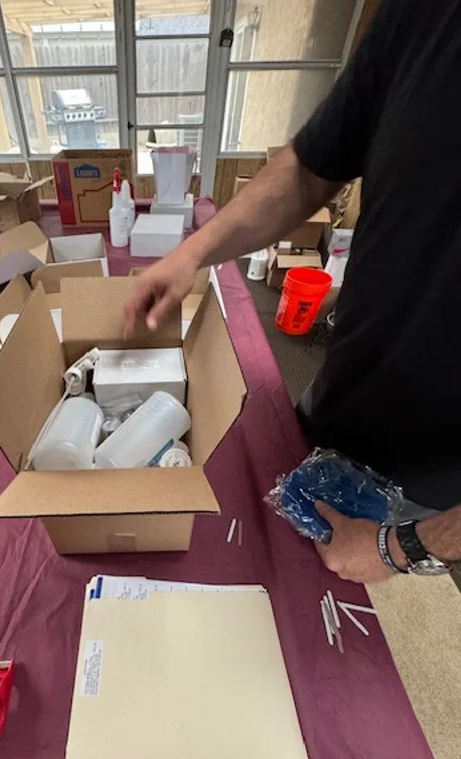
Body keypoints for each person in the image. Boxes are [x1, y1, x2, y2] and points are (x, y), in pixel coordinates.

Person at [123, 0, 461, 584]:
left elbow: (394, 550)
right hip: (339, 401)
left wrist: (401, 547)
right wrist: (192, 253)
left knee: (329, 621)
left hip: (433, 491)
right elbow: (311, 166)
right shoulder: (423, 15)